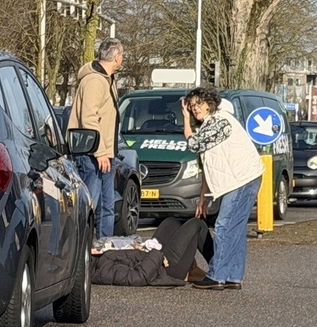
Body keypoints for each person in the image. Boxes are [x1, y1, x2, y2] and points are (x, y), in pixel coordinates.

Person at [182, 86, 264, 291]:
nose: (194, 109)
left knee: (224, 226)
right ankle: (233, 277)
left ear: (210, 103)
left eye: (198, 104)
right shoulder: (212, 125)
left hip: (242, 180)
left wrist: (185, 119)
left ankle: (217, 275)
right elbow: (207, 166)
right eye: (191, 107)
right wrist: (203, 198)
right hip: (243, 179)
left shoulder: (220, 122)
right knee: (235, 229)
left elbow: (193, 144)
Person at [68, 37, 124, 238]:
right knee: (91, 205)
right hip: (93, 155)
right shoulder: (94, 81)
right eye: (121, 55)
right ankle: (85, 249)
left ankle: (104, 253)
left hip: (105, 154)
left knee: (107, 207)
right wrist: (100, 151)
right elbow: (89, 117)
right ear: (116, 57)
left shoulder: (107, 80)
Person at [91, 217, 214, 287]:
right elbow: (138, 278)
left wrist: (135, 246)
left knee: (171, 222)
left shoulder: (97, 257)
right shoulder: (104, 272)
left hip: (149, 254)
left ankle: (196, 269)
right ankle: (221, 270)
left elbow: (125, 255)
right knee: (197, 224)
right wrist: (157, 255)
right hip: (165, 268)